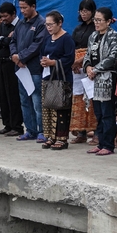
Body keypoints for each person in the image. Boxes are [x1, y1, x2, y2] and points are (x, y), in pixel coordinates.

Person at [83, 7, 117, 156]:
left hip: (106, 77)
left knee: (107, 112)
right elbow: (87, 54)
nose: (96, 23)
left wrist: (96, 69)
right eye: (95, 20)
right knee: (98, 112)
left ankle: (108, 144)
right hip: (93, 78)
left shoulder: (114, 37)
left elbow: (112, 57)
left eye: (99, 20)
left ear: (108, 21)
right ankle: (100, 142)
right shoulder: (93, 36)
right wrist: (87, 67)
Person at [11, 0, 49, 141]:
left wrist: (21, 57)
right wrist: (14, 55)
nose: (22, 11)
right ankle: (30, 129)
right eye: (20, 8)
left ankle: (41, 130)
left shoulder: (41, 23)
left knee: (37, 101)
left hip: (34, 68)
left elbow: (37, 45)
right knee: (24, 100)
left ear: (33, 6)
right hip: (21, 69)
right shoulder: (20, 24)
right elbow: (12, 41)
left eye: (25, 7)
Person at [39, 11, 75, 150]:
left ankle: (61, 138)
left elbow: (69, 58)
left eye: (51, 24)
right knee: (48, 107)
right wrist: (43, 61)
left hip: (61, 78)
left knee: (60, 107)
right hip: (48, 77)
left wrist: (53, 63)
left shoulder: (66, 39)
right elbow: (42, 52)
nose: (48, 27)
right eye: (46, 25)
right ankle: (50, 136)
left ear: (59, 23)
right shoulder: (48, 38)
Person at [0, 2, 24, 136]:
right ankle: (7, 124)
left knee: (13, 95)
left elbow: (15, 43)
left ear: (13, 14)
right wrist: (4, 39)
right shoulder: (3, 27)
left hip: (14, 64)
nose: (3, 19)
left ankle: (17, 126)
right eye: (1, 17)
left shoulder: (19, 26)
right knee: (3, 95)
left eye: (5, 16)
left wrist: (3, 41)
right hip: (2, 63)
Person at [70, 0, 98, 144]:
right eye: (82, 11)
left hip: (91, 66)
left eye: (87, 10)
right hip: (77, 69)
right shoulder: (78, 29)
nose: (84, 13)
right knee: (79, 99)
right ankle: (80, 131)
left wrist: (81, 61)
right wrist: (74, 63)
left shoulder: (96, 29)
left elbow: (94, 48)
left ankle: (96, 132)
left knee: (92, 99)